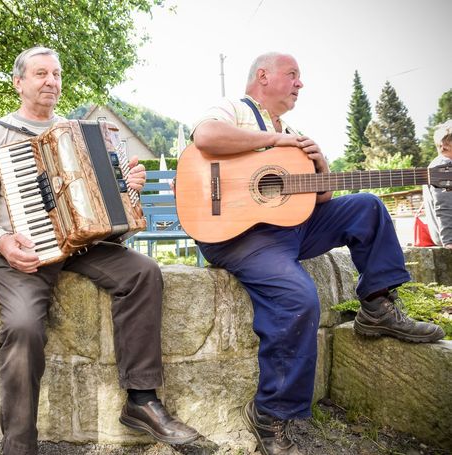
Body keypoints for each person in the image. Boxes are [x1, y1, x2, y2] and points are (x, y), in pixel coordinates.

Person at [190, 52, 444, 455]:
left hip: (291, 228)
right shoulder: (234, 109)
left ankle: (377, 305)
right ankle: (271, 414)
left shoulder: (293, 131)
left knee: (367, 206)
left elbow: (320, 197)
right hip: (241, 236)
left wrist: (320, 165)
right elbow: (205, 138)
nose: (300, 83)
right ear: (263, 76)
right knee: (298, 299)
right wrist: (276, 140)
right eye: (293, 75)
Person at [0, 46, 198, 455]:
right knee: (23, 327)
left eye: (56, 74)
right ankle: (19, 445)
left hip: (83, 245)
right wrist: (2, 241)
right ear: (19, 82)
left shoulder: (77, 131)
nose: (51, 81)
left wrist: (128, 186)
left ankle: (141, 401)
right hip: (24, 251)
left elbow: (109, 203)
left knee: (143, 272)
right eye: (40, 74)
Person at [423, 120, 452, 249]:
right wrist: (449, 240)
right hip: (447, 236)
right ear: (445, 146)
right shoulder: (443, 165)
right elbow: (443, 205)